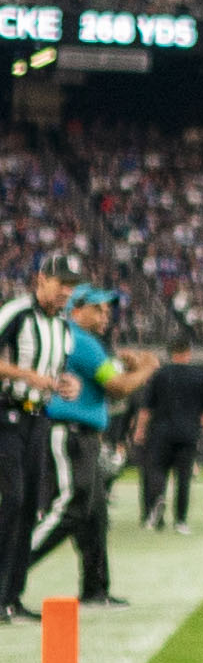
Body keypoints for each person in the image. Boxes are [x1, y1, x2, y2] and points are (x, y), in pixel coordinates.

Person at [33, 283, 151, 605]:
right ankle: (9, 567)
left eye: (108, 309)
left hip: (79, 435)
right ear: (76, 309)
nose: (105, 315)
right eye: (98, 308)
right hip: (69, 433)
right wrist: (145, 369)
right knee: (71, 507)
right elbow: (116, 387)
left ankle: (96, 588)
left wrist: (127, 370)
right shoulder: (81, 341)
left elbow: (108, 378)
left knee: (95, 513)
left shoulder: (78, 341)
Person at [0, 267, 68, 625]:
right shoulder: (17, 313)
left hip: (37, 417)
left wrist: (64, 385)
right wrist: (26, 375)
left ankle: (12, 596)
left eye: (71, 287)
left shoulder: (62, 328)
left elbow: (55, 373)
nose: (66, 292)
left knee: (30, 505)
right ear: (42, 279)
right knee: (11, 500)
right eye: (62, 284)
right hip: (7, 414)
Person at [136, 339, 203, 533]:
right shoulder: (199, 377)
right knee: (183, 478)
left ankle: (158, 500)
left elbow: (146, 408)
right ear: (188, 352)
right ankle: (181, 520)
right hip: (188, 433)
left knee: (157, 471)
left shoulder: (159, 375)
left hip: (160, 432)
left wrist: (140, 431)